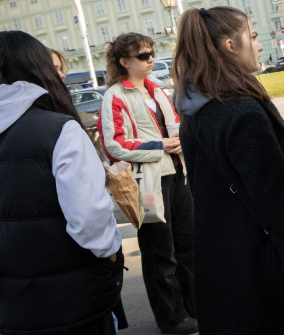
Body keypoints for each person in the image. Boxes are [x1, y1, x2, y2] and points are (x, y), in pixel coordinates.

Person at [173, 6, 284, 334]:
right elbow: (278, 195)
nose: (260, 44)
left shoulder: (195, 112)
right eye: (252, 36)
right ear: (230, 46)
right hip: (266, 275)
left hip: (227, 274)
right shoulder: (242, 111)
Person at [0, 31, 123, 334]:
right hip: (70, 298)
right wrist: (109, 251)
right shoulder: (59, 129)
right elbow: (88, 219)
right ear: (37, 67)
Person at [97, 33, 197, 335]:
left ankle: (194, 308)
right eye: (143, 55)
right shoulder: (115, 95)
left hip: (178, 175)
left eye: (152, 53)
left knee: (188, 246)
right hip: (148, 183)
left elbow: (175, 126)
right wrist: (160, 146)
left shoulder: (157, 89)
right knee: (158, 252)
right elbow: (113, 144)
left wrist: (180, 142)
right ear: (124, 62)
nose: (151, 58)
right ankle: (172, 318)